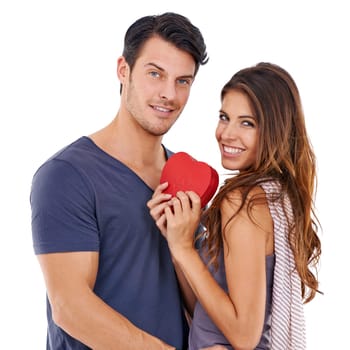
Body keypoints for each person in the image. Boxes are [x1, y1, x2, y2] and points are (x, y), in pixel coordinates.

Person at [30, 12, 208, 349]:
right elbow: (70, 308)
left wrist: (180, 248)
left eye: (183, 81)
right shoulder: (66, 175)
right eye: (155, 74)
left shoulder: (185, 178)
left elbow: (201, 310)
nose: (169, 94)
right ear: (123, 70)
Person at [148, 62, 322, 350]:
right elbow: (205, 312)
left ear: (275, 130)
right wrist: (178, 240)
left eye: (247, 123)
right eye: (224, 117)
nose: (227, 133)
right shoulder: (275, 197)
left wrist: (184, 250)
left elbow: (243, 335)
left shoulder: (244, 201)